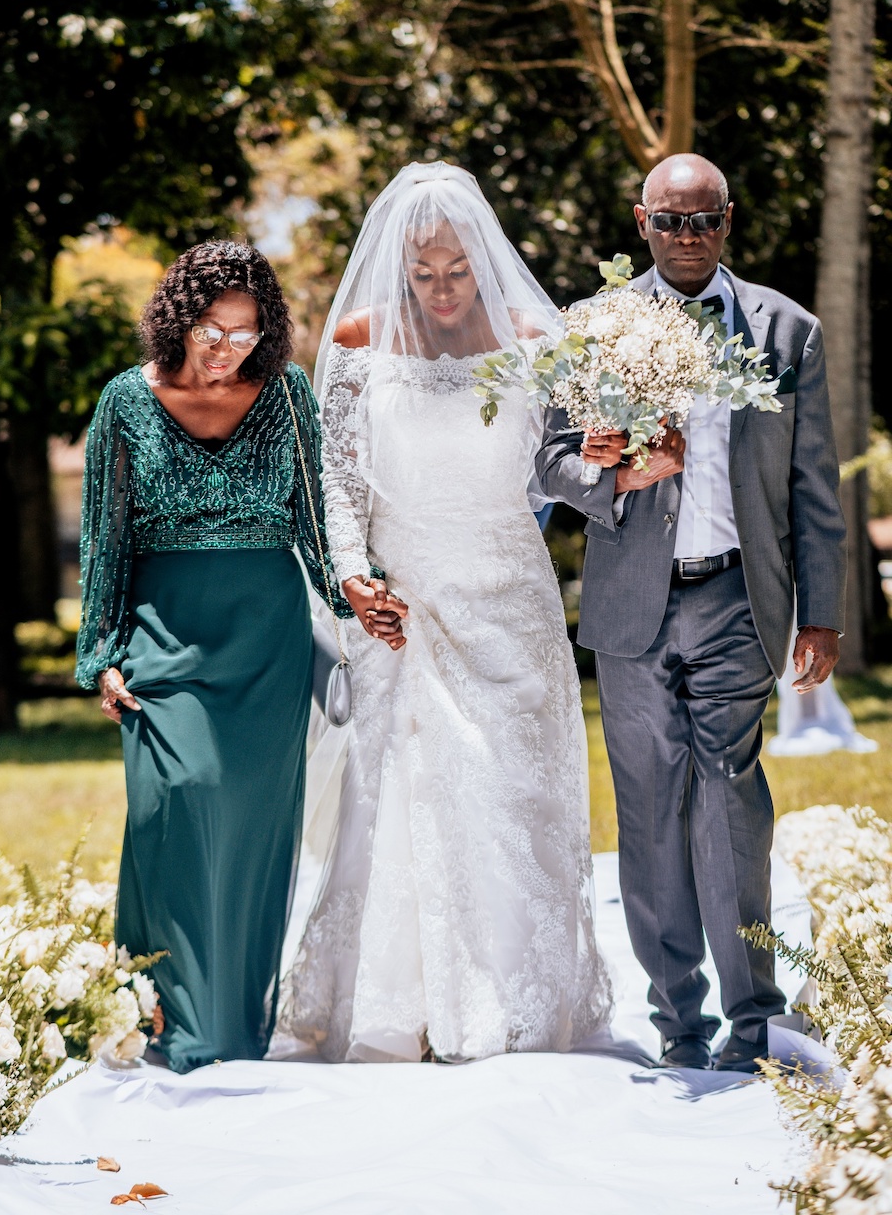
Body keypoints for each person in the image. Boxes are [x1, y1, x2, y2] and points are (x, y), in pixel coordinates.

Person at [277, 162, 615, 1063]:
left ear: (484, 259)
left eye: (456, 270)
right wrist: (354, 577)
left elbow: (561, 469)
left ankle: (508, 1003)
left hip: (509, 590)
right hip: (405, 602)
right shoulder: (355, 340)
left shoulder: (538, 338)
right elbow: (339, 488)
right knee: (402, 795)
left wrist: (622, 464)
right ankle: (402, 1007)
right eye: (423, 272)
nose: (440, 287)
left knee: (511, 789)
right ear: (397, 263)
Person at [537, 153, 846, 1074]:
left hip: (739, 598)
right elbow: (547, 467)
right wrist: (616, 473)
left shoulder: (787, 331)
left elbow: (813, 487)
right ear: (641, 223)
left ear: (727, 221)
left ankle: (754, 1019)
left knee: (730, 803)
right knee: (648, 812)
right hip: (633, 606)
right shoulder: (590, 330)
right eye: (669, 221)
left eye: (703, 220)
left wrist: (821, 611)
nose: (686, 236)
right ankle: (680, 1021)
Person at [75, 241, 403, 1073]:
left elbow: (315, 516)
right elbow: (104, 539)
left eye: (247, 332)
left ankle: (232, 1030)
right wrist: (101, 653)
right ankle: (166, 1021)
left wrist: (350, 590)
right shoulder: (125, 401)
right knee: (173, 809)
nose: (227, 348)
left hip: (266, 640)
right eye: (213, 329)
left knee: (255, 838)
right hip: (163, 635)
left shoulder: (286, 393)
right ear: (179, 319)